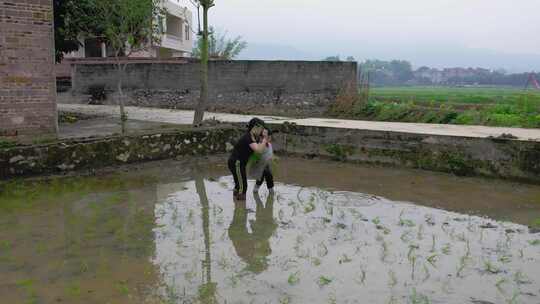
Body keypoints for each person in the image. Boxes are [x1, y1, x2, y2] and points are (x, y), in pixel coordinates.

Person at [228, 118, 269, 201]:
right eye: (261, 129)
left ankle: (237, 205)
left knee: (239, 184)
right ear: (255, 127)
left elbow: (258, 150)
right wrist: (265, 138)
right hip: (237, 163)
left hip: (237, 163)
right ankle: (240, 210)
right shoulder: (248, 138)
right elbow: (259, 150)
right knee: (242, 186)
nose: (261, 131)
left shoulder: (253, 137)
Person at [252, 128, 274, 194]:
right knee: (260, 179)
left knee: (269, 178)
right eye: (266, 137)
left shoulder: (269, 145)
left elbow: (270, 154)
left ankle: (271, 191)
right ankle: (255, 190)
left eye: (269, 137)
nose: (268, 139)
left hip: (268, 165)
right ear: (261, 138)